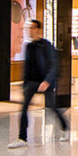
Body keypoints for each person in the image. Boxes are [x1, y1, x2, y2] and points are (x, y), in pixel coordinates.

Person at [9, 19, 69, 148]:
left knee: (52, 107)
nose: (29, 31)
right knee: (24, 109)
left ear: (38, 30)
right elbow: (27, 66)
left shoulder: (46, 46)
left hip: (44, 83)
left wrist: (47, 81)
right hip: (31, 83)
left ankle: (65, 127)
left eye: (32, 28)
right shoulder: (29, 46)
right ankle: (22, 138)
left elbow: (53, 65)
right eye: (28, 28)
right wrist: (24, 82)